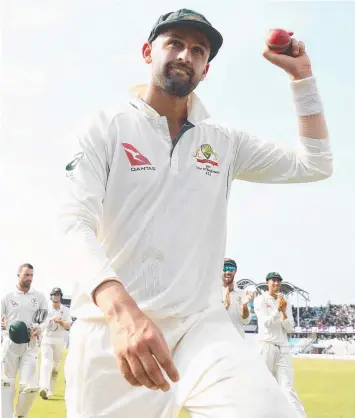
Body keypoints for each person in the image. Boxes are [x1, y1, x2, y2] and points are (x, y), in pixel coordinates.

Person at [60, 8, 332, 418]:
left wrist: (302, 78)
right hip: (110, 333)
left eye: (198, 50)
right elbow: (72, 222)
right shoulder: (106, 127)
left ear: (205, 69)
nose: (186, 54)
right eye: (175, 44)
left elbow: (316, 164)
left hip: (199, 328)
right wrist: (120, 310)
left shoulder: (223, 143)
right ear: (148, 51)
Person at [254, 272, 307, 417]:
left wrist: (283, 311)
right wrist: (277, 309)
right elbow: (266, 323)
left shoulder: (285, 302)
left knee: (287, 388)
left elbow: (289, 328)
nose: (276, 284)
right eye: (274, 281)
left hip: (283, 347)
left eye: (278, 281)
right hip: (266, 345)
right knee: (263, 385)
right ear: (267, 283)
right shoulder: (260, 300)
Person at [1, 263, 48, 418]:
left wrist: (39, 328)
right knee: (6, 384)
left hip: (30, 344)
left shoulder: (39, 296)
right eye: (26, 275)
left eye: (31, 275)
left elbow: (45, 319)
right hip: (10, 345)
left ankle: (20, 415)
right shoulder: (7, 296)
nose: (29, 278)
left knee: (30, 387)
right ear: (18, 275)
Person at [39, 287, 71, 400]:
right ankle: (43, 388)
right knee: (46, 363)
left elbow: (68, 325)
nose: (56, 296)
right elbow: (41, 324)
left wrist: (60, 321)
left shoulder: (65, 310)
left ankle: (50, 390)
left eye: (58, 295)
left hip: (59, 340)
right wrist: (50, 320)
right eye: (54, 294)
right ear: (51, 296)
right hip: (47, 339)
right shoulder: (46, 309)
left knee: (56, 367)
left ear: (60, 296)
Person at [222, 258, 252, 338]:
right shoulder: (213, 292)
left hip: (237, 341)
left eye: (231, 269)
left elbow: (246, 321)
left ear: (235, 271)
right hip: (218, 341)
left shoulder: (242, 294)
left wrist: (244, 306)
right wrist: (225, 306)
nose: (228, 272)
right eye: (224, 268)